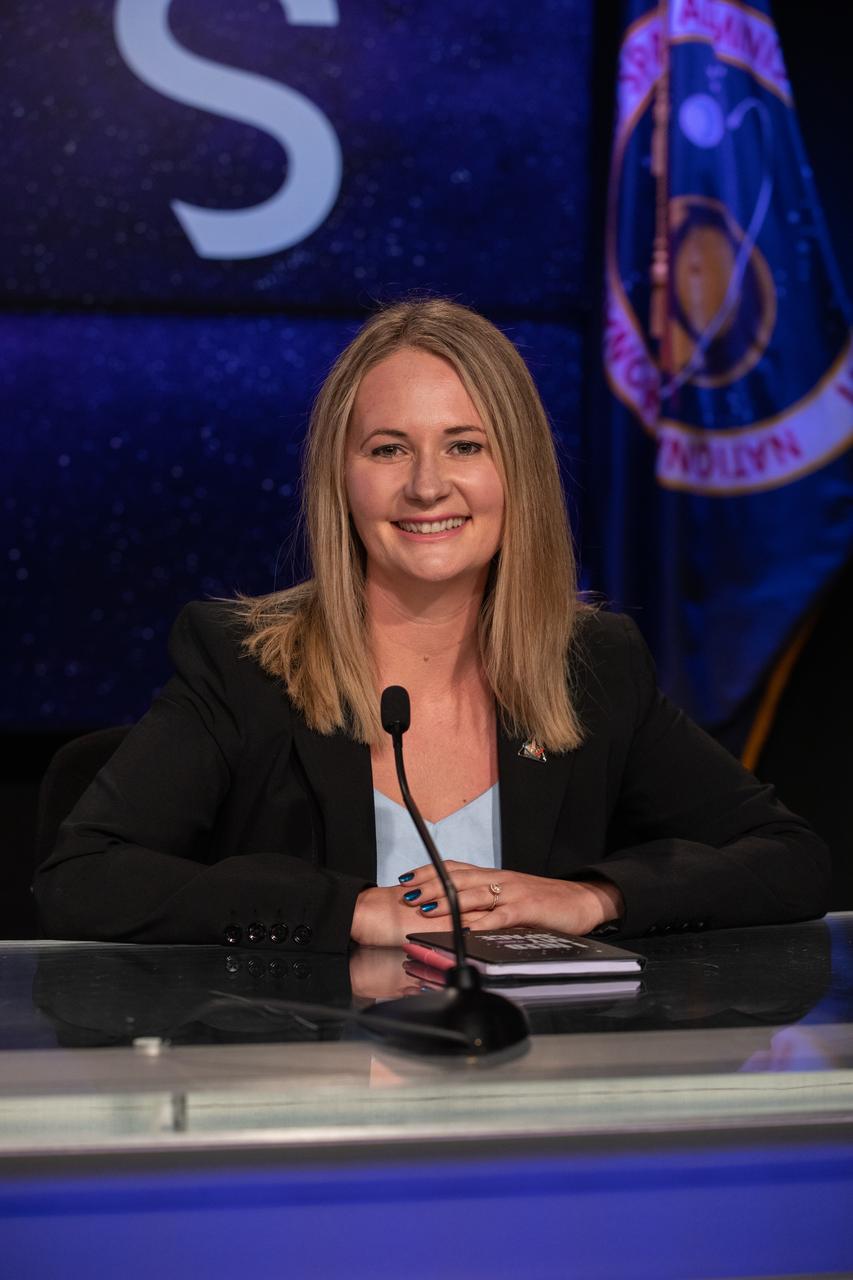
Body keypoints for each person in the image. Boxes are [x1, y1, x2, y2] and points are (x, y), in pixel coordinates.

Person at [35, 300, 829, 950]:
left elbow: (787, 859)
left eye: (464, 445)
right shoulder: (243, 666)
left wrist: (591, 898)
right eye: (387, 449)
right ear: (339, 480)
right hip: (305, 1100)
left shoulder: (593, 667)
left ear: (515, 472)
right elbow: (83, 875)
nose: (426, 485)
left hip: (526, 1103)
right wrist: (354, 911)